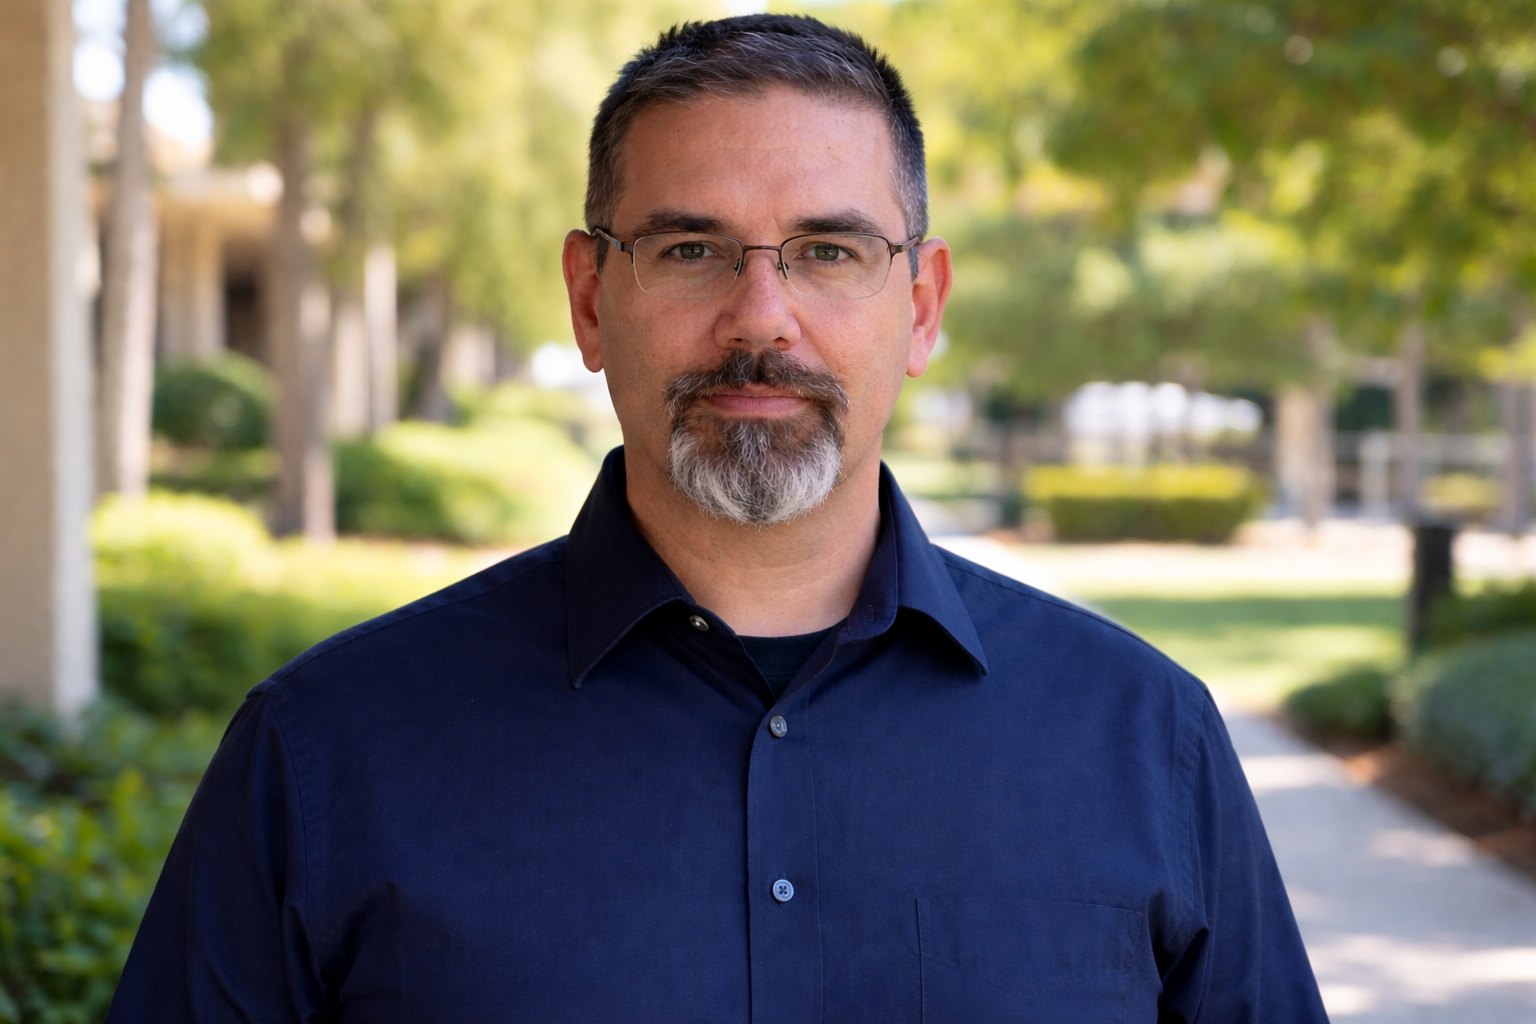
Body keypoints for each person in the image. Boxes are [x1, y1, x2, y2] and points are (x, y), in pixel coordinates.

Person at [106, 14, 1327, 1023]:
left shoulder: (1143, 738)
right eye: (691, 248)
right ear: (591, 300)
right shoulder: (327, 750)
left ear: (923, 301)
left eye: (828, 251)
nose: (762, 316)